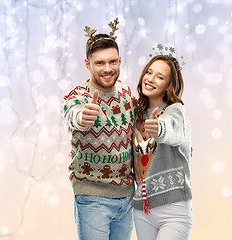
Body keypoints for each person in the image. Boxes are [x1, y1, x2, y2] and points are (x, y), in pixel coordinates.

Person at [61, 18, 137, 240]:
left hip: (127, 197)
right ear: (88, 64)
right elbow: (71, 115)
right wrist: (81, 117)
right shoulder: (77, 97)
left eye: (112, 62)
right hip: (92, 197)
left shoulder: (125, 93)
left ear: (120, 61)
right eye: (100, 63)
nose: (107, 69)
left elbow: (140, 127)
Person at [131, 50, 193, 240]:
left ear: (168, 86)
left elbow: (173, 130)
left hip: (174, 210)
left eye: (160, 77)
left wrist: (160, 128)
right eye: (149, 72)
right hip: (142, 210)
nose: (150, 79)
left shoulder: (176, 112)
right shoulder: (135, 115)